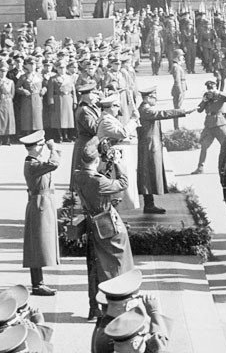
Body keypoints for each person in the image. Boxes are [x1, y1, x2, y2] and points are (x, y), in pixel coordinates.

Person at [72, 137, 132, 320]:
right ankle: (115, 305)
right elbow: (123, 183)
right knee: (116, 265)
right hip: (107, 225)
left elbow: (99, 182)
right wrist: (118, 163)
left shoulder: (78, 175)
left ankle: (94, 307)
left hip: (91, 224)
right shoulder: (98, 181)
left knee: (94, 266)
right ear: (96, 160)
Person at [136, 85, 194, 214]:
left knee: (149, 175)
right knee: (147, 176)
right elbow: (162, 114)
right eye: (154, 97)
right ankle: (148, 204)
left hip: (150, 145)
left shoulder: (145, 108)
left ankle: (149, 203)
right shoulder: (146, 110)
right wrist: (182, 111)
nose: (155, 99)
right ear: (148, 98)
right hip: (149, 146)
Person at [20, 131, 60, 296]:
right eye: (41, 145)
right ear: (34, 147)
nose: (43, 148)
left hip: (43, 204)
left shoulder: (36, 162)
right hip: (39, 205)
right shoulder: (32, 164)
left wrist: (55, 150)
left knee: (40, 244)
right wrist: (53, 149)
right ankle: (37, 284)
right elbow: (54, 164)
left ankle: (39, 282)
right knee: (37, 245)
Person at [92, 269, 169, 353]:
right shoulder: (120, 334)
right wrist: (154, 312)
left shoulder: (111, 328)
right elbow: (160, 345)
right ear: (129, 305)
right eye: (137, 298)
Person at [191, 80, 226, 175]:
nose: (210, 90)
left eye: (212, 88)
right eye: (208, 88)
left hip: (219, 124)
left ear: (216, 87)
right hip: (209, 125)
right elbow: (200, 110)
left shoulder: (220, 96)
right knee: (204, 145)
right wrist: (204, 101)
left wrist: (219, 93)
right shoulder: (207, 96)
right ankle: (200, 167)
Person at [69, 83, 101, 192]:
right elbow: (94, 128)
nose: (96, 96)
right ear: (87, 95)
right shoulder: (84, 110)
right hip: (86, 143)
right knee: (84, 174)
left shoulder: (89, 107)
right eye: (93, 93)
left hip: (88, 142)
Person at [169, 49, 187, 130]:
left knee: (178, 108)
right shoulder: (176, 67)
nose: (183, 57)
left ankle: (177, 126)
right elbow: (177, 80)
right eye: (181, 56)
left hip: (181, 88)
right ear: (177, 57)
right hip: (178, 89)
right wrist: (180, 91)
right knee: (177, 109)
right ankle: (176, 127)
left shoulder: (177, 66)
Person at [0, 60, 16, 145]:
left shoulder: (10, 81)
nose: (3, 73)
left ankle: (7, 138)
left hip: (8, 102)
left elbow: (12, 93)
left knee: (8, 120)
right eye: (1, 71)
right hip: (0, 102)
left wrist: (9, 98)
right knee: (1, 120)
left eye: (5, 71)